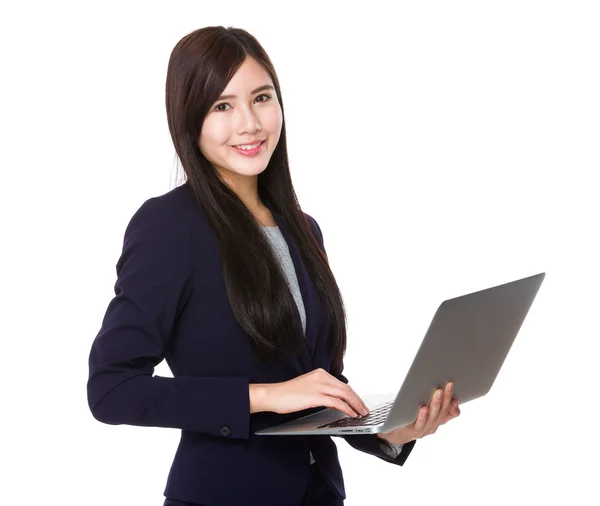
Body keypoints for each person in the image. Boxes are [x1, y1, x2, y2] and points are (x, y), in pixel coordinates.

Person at [86, 26, 461, 506]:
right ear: (189, 119)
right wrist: (263, 395)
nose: (250, 123)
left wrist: (394, 430)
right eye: (223, 106)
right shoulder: (168, 226)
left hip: (318, 495)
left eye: (261, 98)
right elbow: (111, 388)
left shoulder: (303, 228)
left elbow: (315, 385)